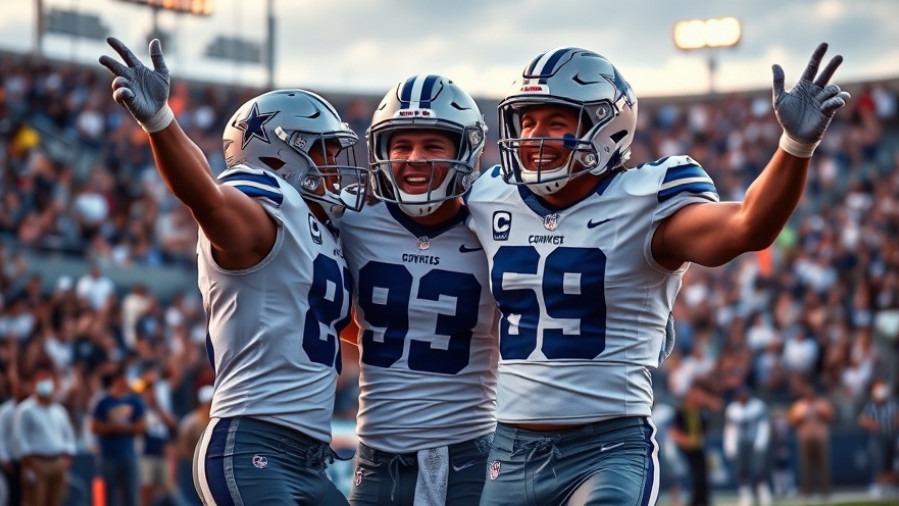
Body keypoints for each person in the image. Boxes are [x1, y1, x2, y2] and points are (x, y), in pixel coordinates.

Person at [465, 43, 850, 505]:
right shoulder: (489, 197)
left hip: (605, 446)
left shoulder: (646, 197)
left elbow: (748, 226)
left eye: (555, 121)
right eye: (526, 121)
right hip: (509, 447)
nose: (534, 136)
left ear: (604, 126)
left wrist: (795, 146)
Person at [99, 37, 368, 505]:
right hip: (253, 445)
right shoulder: (268, 206)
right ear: (281, 156)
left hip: (310, 456)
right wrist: (162, 124)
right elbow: (207, 197)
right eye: (324, 152)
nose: (335, 168)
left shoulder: (320, 230)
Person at [339, 74, 498, 506]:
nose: (414, 159)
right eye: (401, 146)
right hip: (376, 453)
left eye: (433, 146)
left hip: (467, 450)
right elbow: (330, 315)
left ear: (465, 151)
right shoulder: (354, 225)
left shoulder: (493, 228)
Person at [11, 367, 77, 506]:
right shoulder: (26, 409)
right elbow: (20, 437)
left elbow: (69, 436)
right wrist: (28, 460)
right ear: (34, 385)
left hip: (57, 461)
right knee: (35, 501)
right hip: (37, 462)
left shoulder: (59, 411)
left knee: (56, 500)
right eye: (41, 381)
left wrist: (67, 457)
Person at [91, 366, 147, 506]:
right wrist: (114, 428)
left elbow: (142, 426)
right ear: (117, 380)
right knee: (107, 496)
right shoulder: (103, 402)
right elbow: (94, 426)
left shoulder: (134, 402)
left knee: (130, 496)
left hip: (128, 455)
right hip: (108, 456)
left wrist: (124, 428)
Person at [723, 387, 773, 506]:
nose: (742, 398)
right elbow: (730, 429)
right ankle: (745, 495)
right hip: (740, 443)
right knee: (741, 470)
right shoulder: (732, 409)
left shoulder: (758, 406)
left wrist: (761, 442)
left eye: (744, 395)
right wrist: (730, 445)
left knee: (758, 469)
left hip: (755, 441)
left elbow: (764, 426)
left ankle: (763, 494)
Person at [787, 381, 833, 499]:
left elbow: (830, 417)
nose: (810, 395)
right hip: (805, 438)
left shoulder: (822, 404)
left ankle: (825, 492)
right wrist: (801, 416)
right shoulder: (799, 406)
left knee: (823, 466)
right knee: (806, 466)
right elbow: (792, 421)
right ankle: (806, 492)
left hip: (820, 438)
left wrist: (819, 412)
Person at [857, 379, 899, 498]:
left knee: (891, 462)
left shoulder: (892, 403)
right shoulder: (870, 405)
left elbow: (897, 418)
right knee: (878, 461)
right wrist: (875, 425)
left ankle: (891, 485)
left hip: (892, 435)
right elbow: (862, 420)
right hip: (877, 437)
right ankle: (879, 486)